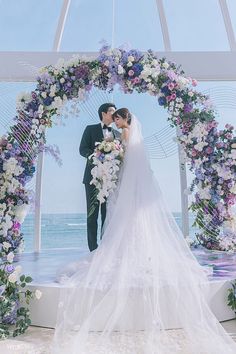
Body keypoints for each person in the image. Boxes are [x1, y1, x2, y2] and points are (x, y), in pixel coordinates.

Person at [54, 108, 236, 353]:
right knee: (124, 222)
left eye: (117, 117)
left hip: (124, 184)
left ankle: (122, 253)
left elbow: (124, 158)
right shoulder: (123, 134)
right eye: (112, 116)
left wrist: (111, 156)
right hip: (119, 182)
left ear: (123, 119)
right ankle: (129, 251)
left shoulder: (126, 135)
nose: (115, 120)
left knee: (122, 221)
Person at [79, 103, 120, 252]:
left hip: (110, 180)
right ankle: (93, 250)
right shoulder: (90, 129)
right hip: (92, 178)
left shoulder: (116, 133)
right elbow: (82, 149)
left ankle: (105, 248)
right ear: (103, 113)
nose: (115, 115)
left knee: (107, 214)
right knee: (92, 215)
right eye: (112, 112)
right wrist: (97, 156)